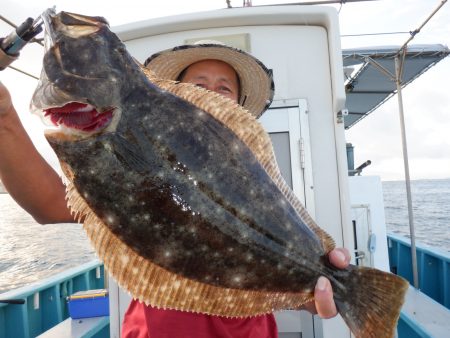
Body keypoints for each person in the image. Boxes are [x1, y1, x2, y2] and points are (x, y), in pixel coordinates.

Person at [0, 40, 350, 338]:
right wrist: (3, 115)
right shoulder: (136, 162)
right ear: (177, 100)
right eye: (198, 85)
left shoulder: (256, 190)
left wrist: (322, 291)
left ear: (236, 112)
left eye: (224, 89)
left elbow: (296, 288)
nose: (211, 94)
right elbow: (49, 205)